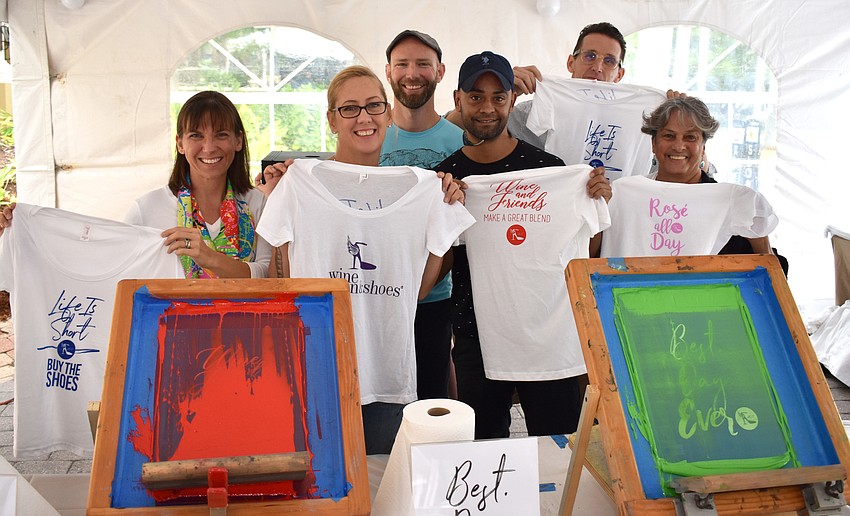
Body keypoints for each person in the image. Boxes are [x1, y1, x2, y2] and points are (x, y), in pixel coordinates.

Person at [257, 65, 472, 454]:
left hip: (387, 377)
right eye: (349, 109)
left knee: (379, 484)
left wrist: (442, 219)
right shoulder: (297, 184)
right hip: (316, 374)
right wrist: (278, 200)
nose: (363, 117)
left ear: (388, 115)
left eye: (373, 106)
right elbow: (286, 280)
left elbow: (415, 292)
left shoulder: (424, 189)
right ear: (331, 120)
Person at [435, 51, 611, 440]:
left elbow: (584, 251)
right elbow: (435, 267)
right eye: (476, 96)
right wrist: (447, 213)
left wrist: (596, 200)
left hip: (546, 334)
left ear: (512, 101)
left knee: (559, 447)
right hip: (475, 336)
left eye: (498, 97)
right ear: (457, 99)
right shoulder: (445, 178)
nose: (487, 107)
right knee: (483, 454)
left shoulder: (552, 171)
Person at [598, 96, 782, 264]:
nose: (679, 146)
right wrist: (600, 206)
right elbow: (590, 256)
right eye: (668, 136)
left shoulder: (727, 199)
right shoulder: (622, 192)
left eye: (690, 137)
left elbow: (768, 262)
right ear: (653, 144)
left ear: (703, 147)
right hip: (626, 297)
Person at [381, 29, 464, 401]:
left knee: (431, 402)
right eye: (402, 64)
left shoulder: (461, 142)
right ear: (388, 71)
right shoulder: (367, 136)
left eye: (423, 64)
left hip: (436, 302)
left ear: (441, 71)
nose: (412, 73)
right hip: (375, 296)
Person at [124, 91, 271, 278]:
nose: (209, 148)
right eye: (196, 135)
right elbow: (124, 278)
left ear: (238, 141)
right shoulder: (146, 209)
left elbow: (268, 276)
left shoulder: (258, 203)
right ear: (180, 144)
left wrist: (210, 258)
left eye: (221, 135)